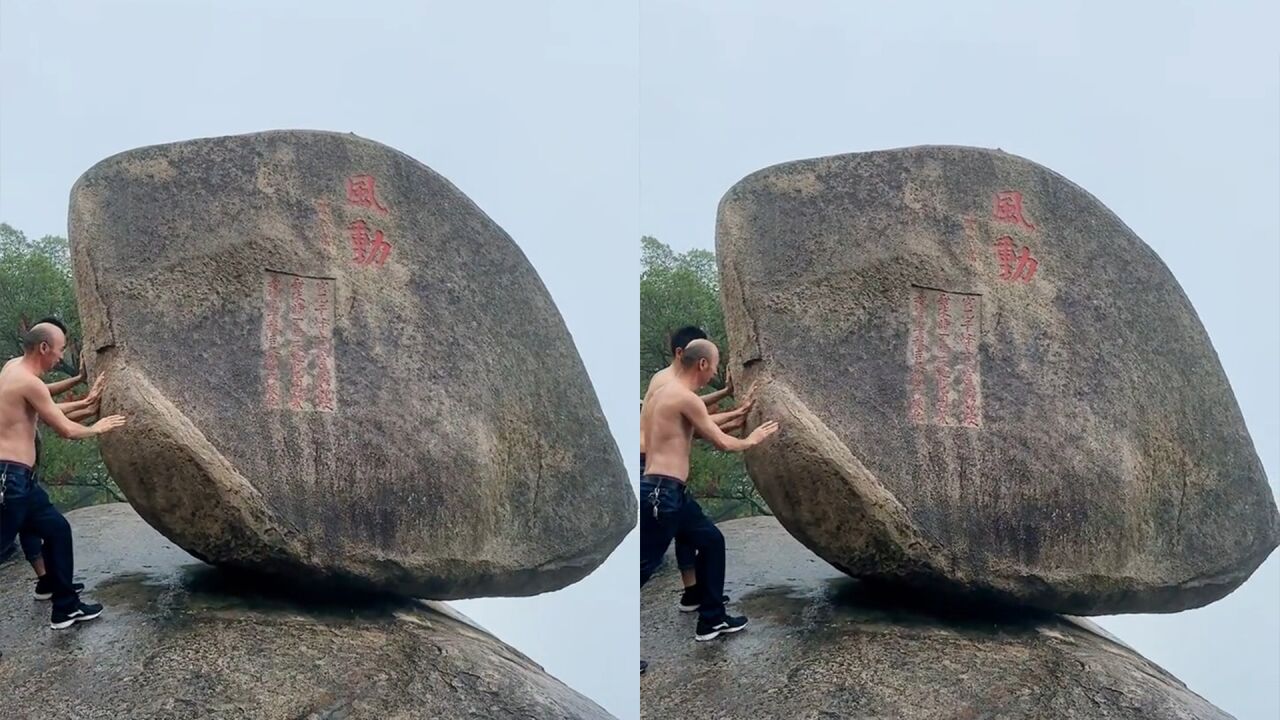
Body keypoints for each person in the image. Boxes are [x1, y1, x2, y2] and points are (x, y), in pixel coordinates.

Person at [640, 338, 779, 648]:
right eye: (715, 366)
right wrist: (753, 439)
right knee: (641, 568)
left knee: (712, 541)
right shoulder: (684, 398)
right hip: (661, 496)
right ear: (703, 365)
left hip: (670, 492)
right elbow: (721, 442)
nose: (713, 372)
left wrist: (738, 411)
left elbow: (696, 424)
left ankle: (712, 618)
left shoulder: (663, 393)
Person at [0, 320, 125, 629]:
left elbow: (43, 400)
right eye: (59, 350)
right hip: (10, 481)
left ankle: (66, 607)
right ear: (43, 348)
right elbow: (65, 428)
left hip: (22, 483)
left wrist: (82, 392)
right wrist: (97, 426)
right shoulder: (27, 382)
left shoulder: (14, 368)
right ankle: (63, 601)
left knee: (57, 530)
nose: (60, 357)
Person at [640, 326, 750, 612]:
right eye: (709, 365)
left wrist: (729, 402)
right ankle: (694, 595)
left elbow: (692, 411)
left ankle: (699, 598)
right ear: (685, 355)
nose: (710, 372)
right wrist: (750, 437)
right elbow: (696, 417)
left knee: (702, 535)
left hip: (663, 481)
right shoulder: (668, 383)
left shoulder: (671, 385)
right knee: (647, 558)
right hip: (655, 476)